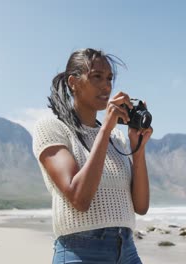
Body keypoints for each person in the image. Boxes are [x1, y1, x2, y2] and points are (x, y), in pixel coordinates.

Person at [32, 48, 152, 264]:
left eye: (109, 78)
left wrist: (139, 148)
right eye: (96, 76)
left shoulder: (117, 138)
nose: (106, 86)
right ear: (73, 83)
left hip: (127, 250)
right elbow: (79, 198)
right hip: (81, 253)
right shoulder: (51, 128)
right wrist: (105, 129)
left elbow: (141, 206)